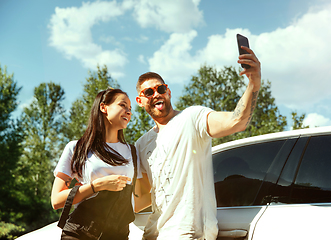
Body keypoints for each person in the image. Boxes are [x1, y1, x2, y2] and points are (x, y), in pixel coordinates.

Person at [134, 46, 261, 240]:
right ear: (140, 101)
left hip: (186, 233)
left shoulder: (192, 118)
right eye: (149, 92)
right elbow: (140, 197)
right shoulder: (141, 144)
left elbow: (237, 121)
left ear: (168, 92)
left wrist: (253, 83)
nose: (156, 94)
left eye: (160, 89)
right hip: (153, 233)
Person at [51, 88, 147, 240]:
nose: (128, 111)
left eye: (130, 108)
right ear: (103, 107)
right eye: (122, 105)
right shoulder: (76, 148)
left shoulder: (133, 152)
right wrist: (96, 186)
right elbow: (56, 201)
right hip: (79, 233)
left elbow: (140, 199)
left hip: (118, 235)